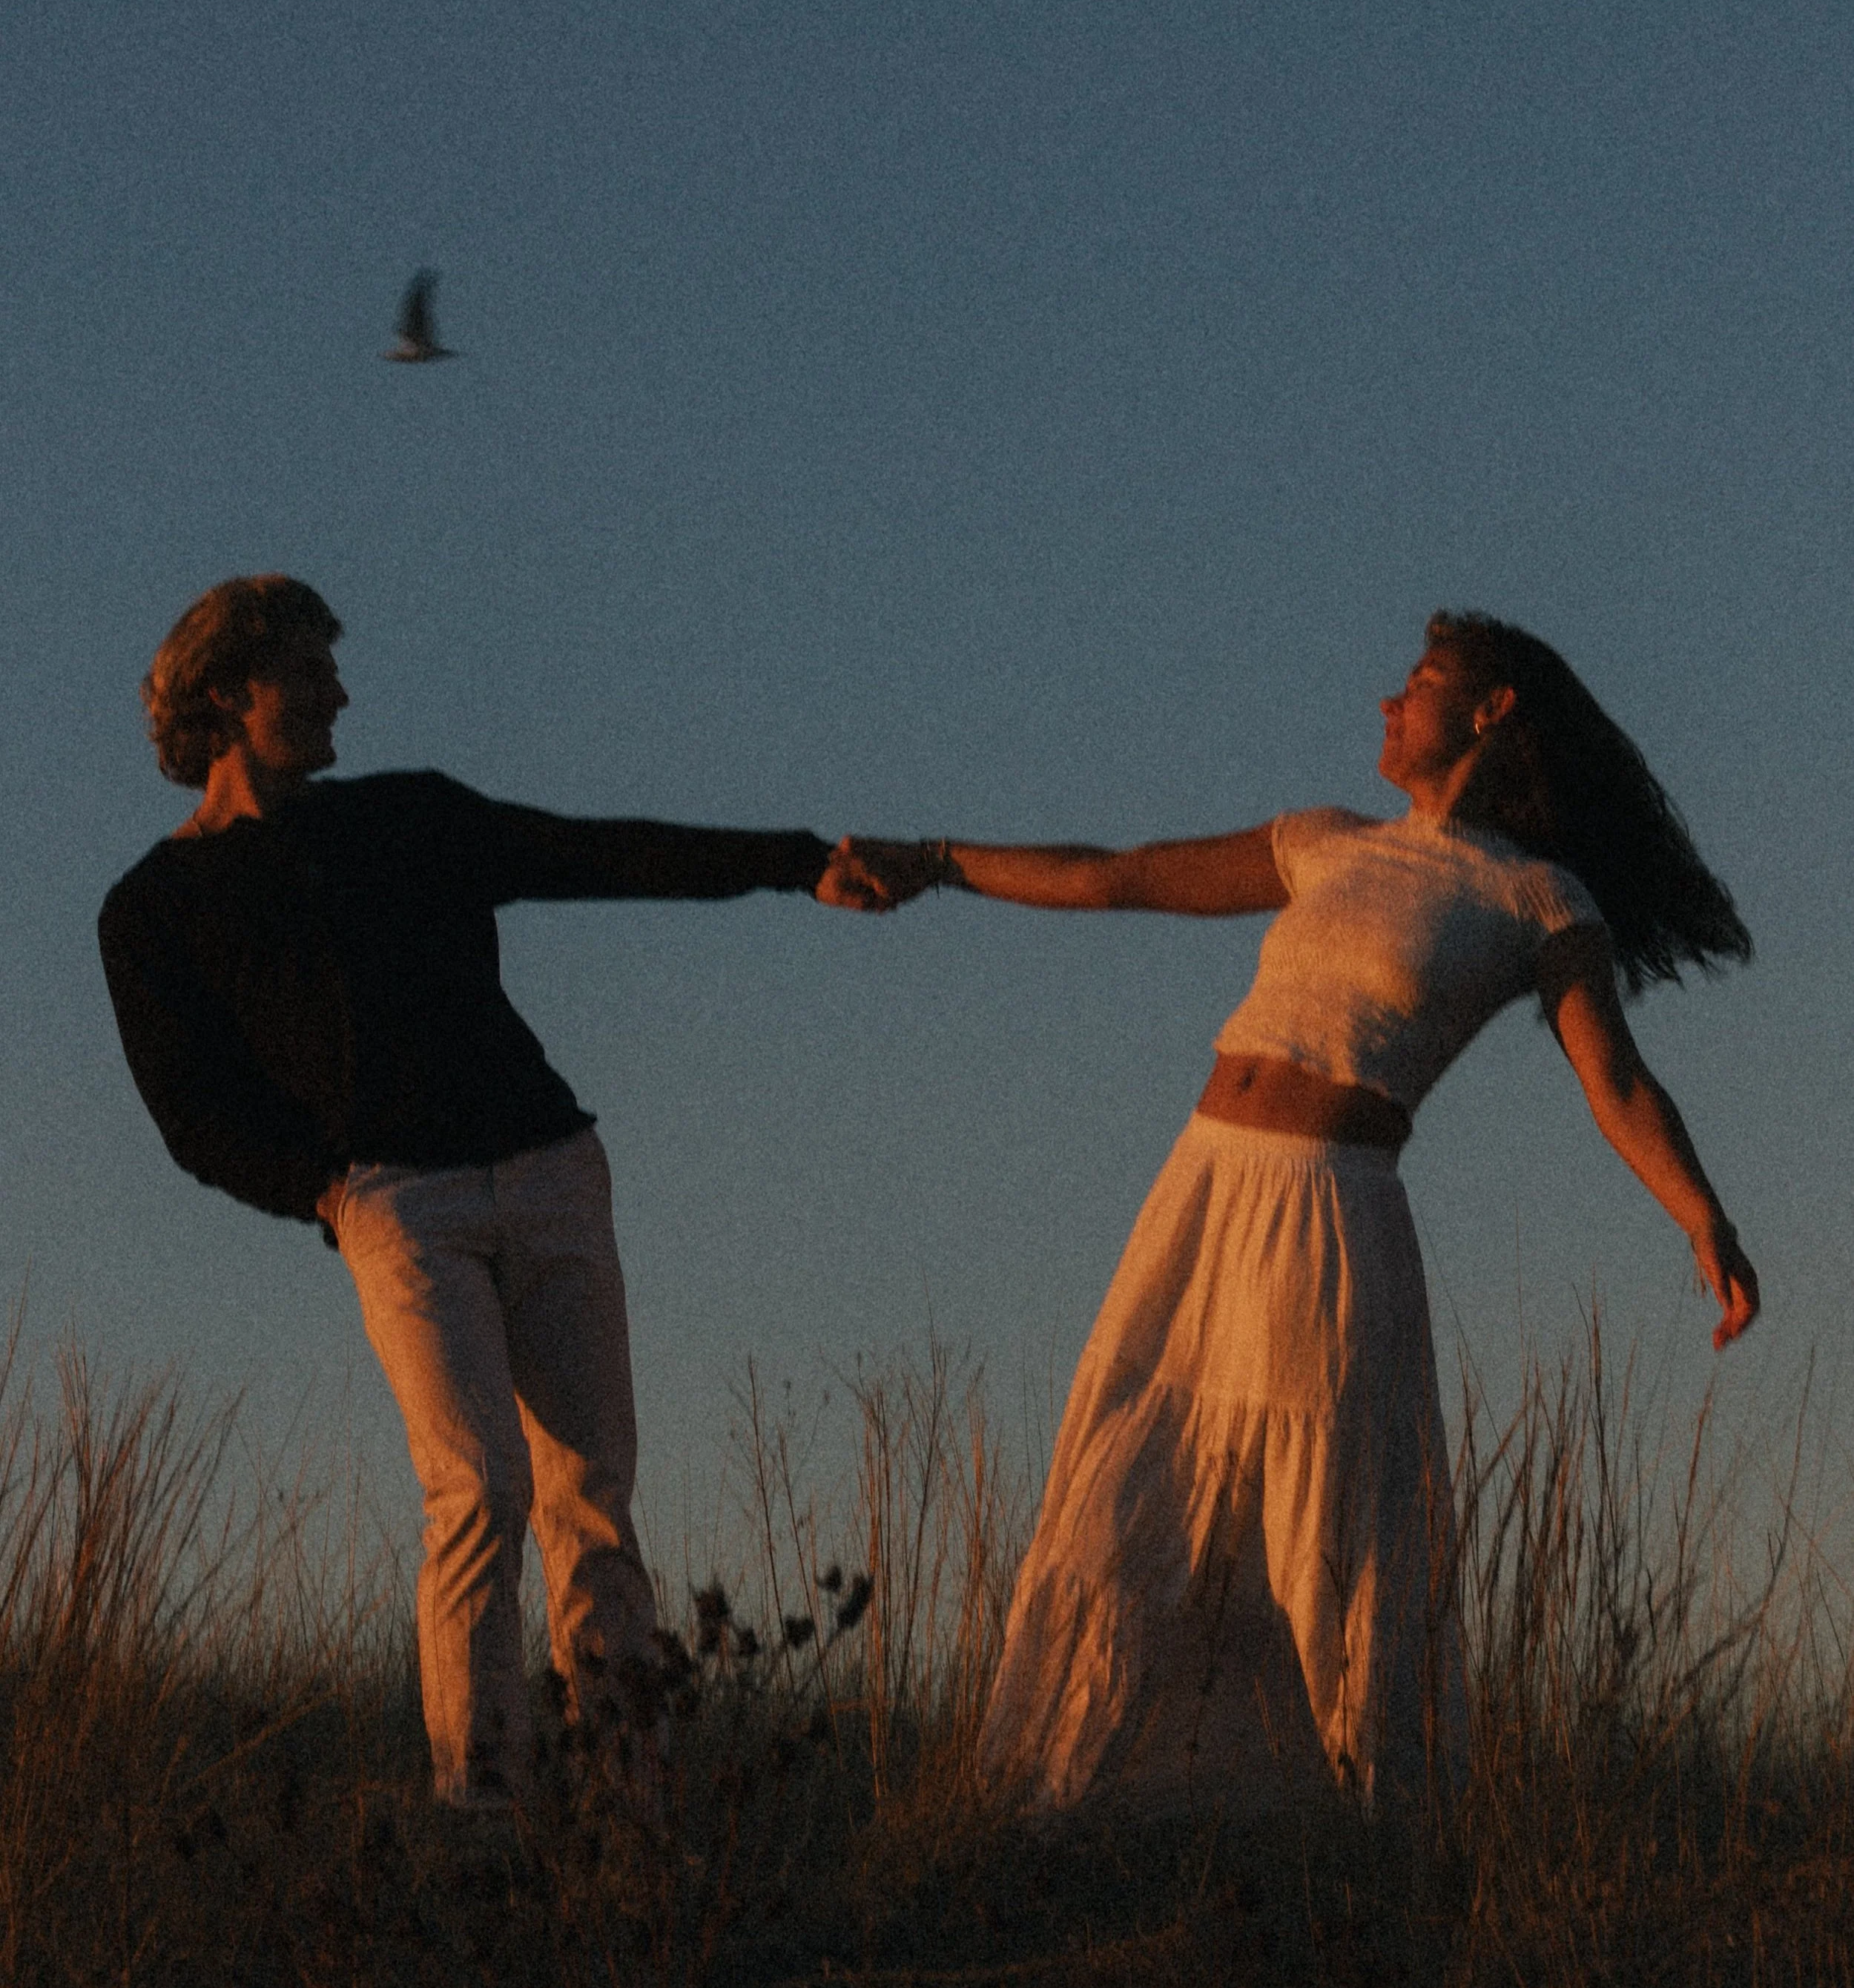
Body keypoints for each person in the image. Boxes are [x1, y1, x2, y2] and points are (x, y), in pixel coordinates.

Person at [850, 614, 1758, 1814]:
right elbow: (1120, 875)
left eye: (1422, 683)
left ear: (1491, 714)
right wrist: (939, 860)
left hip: (1330, 1217)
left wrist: (1703, 1217)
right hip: (1200, 1193)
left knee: (1324, 1530)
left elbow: (1618, 1082)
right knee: (1129, 1492)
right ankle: (1051, 1807)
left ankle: (1382, 1828)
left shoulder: (1538, 898)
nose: (1389, 702)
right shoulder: (1326, 842)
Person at [99, 574, 885, 1811]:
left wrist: (798, 865)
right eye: (309, 672)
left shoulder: (410, 817)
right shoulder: (155, 909)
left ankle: (639, 1810)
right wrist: (326, 1196)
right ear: (225, 697)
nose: (341, 692)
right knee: (478, 1487)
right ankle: (482, 1820)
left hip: (551, 1167)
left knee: (590, 1500)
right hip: (397, 1208)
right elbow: (194, 1118)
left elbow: (597, 852)